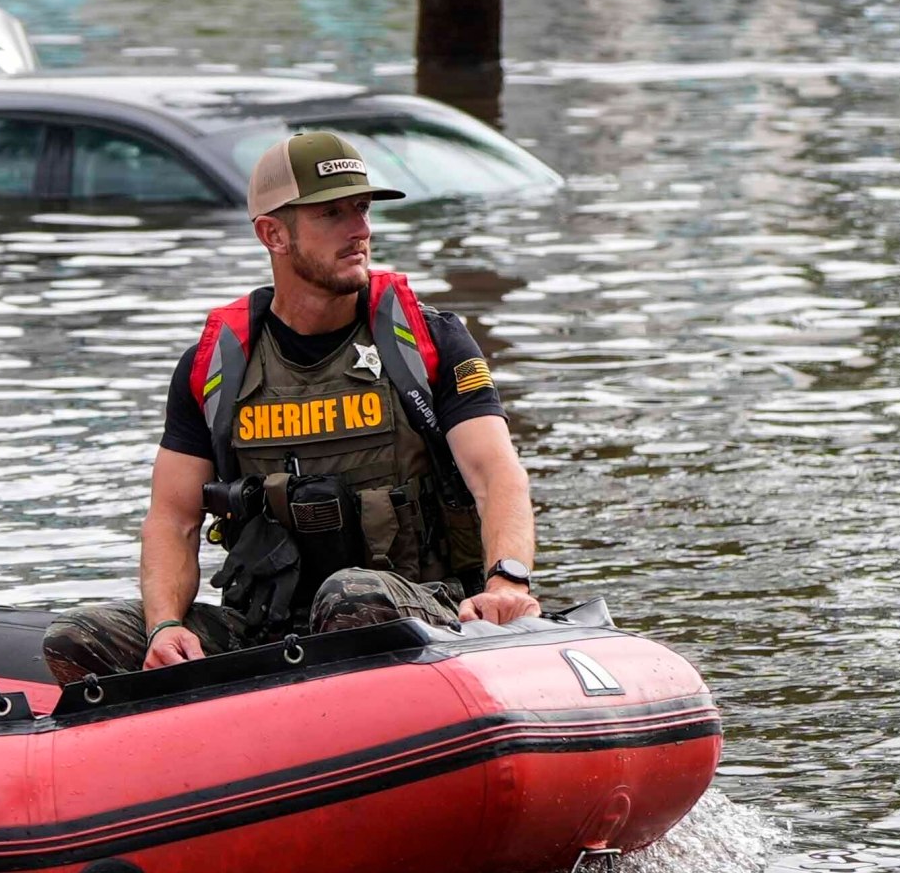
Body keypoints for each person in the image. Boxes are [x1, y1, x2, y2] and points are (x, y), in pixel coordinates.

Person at [41, 132, 542, 684]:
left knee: (351, 598)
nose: (361, 230)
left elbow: (496, 475)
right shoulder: (214, 366)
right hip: (268, 627)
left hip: (418, 612)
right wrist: (164, 627)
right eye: (332, 213)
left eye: (362, 208)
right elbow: (173, 519)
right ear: (273, 233)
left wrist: (507, 584)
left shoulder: (430, 341)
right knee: (79, 637)